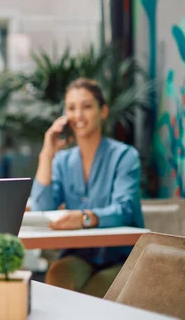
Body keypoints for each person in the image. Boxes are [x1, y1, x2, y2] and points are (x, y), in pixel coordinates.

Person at [30, 78, 144, 298]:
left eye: (87, 106)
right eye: (71, 108)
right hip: (77, 256)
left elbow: (125, 209)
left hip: (121, 257)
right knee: (58, 278)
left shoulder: (124, 156)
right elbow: (42, 208)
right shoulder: (62, 162)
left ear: (103, 111)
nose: (78, 115)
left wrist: (85, 218)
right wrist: (46, 154)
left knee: (95, 291)